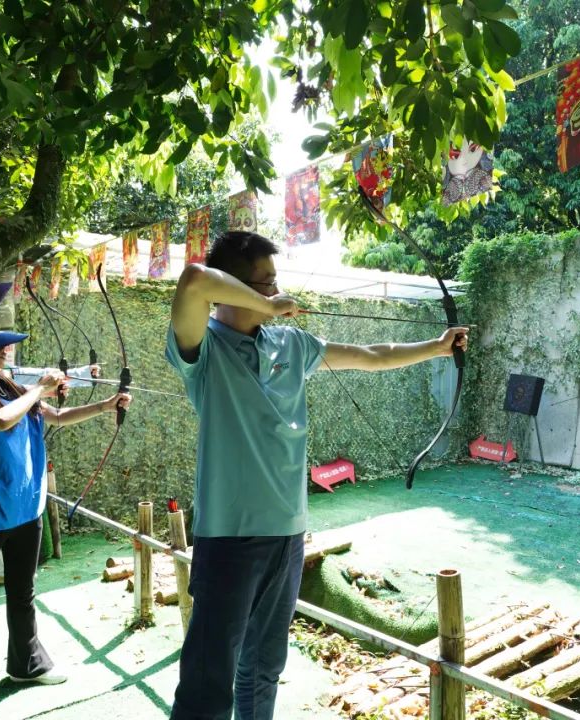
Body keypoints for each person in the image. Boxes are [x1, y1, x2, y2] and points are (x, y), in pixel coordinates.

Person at [166, 231, 469, 720]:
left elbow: (371, 355)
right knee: (208, 681)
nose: (275, 290)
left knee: (263, 668)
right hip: (229, 538)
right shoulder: (203, 349)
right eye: (266, 282)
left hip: (288, 533)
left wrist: (435, 348)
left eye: (275, 282)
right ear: (235, 287)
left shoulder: (290, 342)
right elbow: (194, 281)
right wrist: (270, 304)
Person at [0, 328, 132, 720]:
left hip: (24, 506)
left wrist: (106, 405)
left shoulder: (6, 384)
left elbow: (56, 416)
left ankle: (27, 665)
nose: (6, 350)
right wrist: (39, 388)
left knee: (22, 592)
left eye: (6, 344)